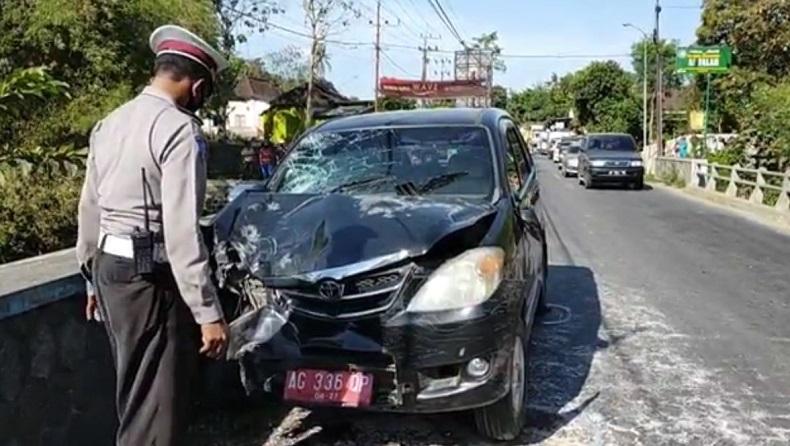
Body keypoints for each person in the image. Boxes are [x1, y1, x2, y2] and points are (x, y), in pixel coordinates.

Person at [76, 25, 230, 446]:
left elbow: (90, 207)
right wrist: (208, 313)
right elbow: (181, 233)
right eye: (206, 90)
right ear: (197, 85)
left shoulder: (110, 123)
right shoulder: (179, 129)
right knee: (156, 404)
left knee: (133, 388)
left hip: (110, 270)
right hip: (148, 277)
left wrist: (90, 276)